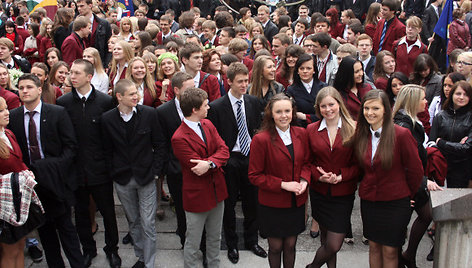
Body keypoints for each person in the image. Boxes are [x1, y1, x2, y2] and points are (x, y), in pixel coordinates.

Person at [8, 74, 85, 268]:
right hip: (32, 185)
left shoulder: (57, 113)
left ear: (39, 89)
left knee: (66, 229)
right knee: (45, 231)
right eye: (21, 87)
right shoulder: (15, 117)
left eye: (28, 87)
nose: (24, 91)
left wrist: (52, 168)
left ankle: (77, 264)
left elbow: (70, 147)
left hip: (57, 181)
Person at [56, 59, 120, 268]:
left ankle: (112, 249)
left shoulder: (104, 101)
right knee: (82, 214)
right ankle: (88, 249)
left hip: (100, 168)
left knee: (108, 213)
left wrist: (109, 165)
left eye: (76, 73)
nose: (71, 76)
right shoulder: (63, 103)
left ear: (88, 76)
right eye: (70, 73)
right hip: (76, 170)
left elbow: (111, 137)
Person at [350, 89, 423, 268]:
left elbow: (416, 170)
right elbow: (359, 168)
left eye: (375, 108)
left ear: (386, 110)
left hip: (396, 202)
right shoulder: (361, 134)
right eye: (366, 108)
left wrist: (408, 196)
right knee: (374, 246)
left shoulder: (401, 134)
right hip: (370, 201)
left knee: (390, 250)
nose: (370, 113)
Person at [101, 79, 166, 268]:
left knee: (148, 223)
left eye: (136, 92)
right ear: (119, 97)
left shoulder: (149, 114)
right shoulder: (107, 119)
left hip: (146, 177)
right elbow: (106, 150)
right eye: (131, 94)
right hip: (122, 179)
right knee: (133, 221)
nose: (136, 96)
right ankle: (141, 256)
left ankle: (149, 263)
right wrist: (113, 171)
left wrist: (155, 172)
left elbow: (160, 144)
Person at [208, 62, 266, 264]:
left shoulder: (253, 102)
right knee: (229, 203)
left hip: (250, 158)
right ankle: (232, 243)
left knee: (253, 202)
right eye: (240, 82)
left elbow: (258, 129)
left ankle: (252, 240)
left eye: (246, 81)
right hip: (229, 160)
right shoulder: (216, 107)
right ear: (229, 81)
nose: (244, 85)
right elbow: (214, 137)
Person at [248, 93, 310, 268]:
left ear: (293, 112)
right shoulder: (261, 139)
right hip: (272, 203)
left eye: (287, 111)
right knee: (275, 247)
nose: (284, 115)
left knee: (290, 245)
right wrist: (283, 184)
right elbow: (254, 175)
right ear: (271, 114)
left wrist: (304, 181)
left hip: (295, 203)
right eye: (279, 112)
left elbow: (306, 163)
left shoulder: (301, 133)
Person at [171, 87, 230, 268]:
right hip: (197, 197)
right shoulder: (179, 138)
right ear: (195, 110)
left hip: (217, 192)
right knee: (193, 242)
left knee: (215, 238)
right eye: (205, 105)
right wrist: (213, 162)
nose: (209, 108)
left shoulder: (208, 124)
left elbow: (224, 150)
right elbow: (197, 168)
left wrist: (210, 163)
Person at [305, 86, 359, 268]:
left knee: (334, 244)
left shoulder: (354, 128)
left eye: (331, 105)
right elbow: (307, 162)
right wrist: (318, 177)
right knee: (325, 240)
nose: (328, 110)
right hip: (320, 192)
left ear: (339, 104)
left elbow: (359, 164)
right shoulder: (311, 129)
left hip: (343, 193)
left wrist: (341, 176)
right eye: (323, 106)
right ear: (318, 108)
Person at [392, 84, 443, 268]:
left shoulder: (412, 121)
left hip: (416, 180)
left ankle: (408, 255)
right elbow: (403, 162)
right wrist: (423, 181)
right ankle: (402, 259)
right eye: (423, 98)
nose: (426, 101)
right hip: (408, 183)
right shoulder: (403, 125)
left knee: (426, 214)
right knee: (402, 224)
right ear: (413, 101)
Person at [0, 96, 41, 268]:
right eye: (1, 110)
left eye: (6, 108)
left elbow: (19, 160)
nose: (7, 113)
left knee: (20, 246)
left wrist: (26, 172)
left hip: (19, 201)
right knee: (9, 251)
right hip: (4, 205)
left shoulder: (8, 133)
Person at [157, 72, 195, 248]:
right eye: (189, 88)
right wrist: (168, 166)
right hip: (176, 170)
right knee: (180, 207)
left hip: (198, 168)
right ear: (177, 90)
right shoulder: (163, 112)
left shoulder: (201, 107)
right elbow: (161, 142)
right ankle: (183, 238)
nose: (194, 91)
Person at [429, 81, 472, 188]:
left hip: (462, 169)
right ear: (451, 95)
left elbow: (466, 148)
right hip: (440, 166)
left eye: (466, 95)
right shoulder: (440, 116)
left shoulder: (470, 118)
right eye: (458, 94)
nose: (461, 97)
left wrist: (442, 143)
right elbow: (432, 143)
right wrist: (457, 145)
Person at [287, 53, 327, 126]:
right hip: (301, 128)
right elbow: (294, 115)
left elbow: (326, 112)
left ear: (314, 70)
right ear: (298, 71)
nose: (305, 71)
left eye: (308, 68)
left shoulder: (324, 87)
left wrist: (306, 117)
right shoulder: (291, 90)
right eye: (302, 68)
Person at [76, 0, 112, 67]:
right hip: (82, 65)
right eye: (78, 6)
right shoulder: (73, 25)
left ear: (90, 5)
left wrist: (106, 64)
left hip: (100, 64)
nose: (79, 9)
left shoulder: (104, 24)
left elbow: (109, 46)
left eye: (82, 6)